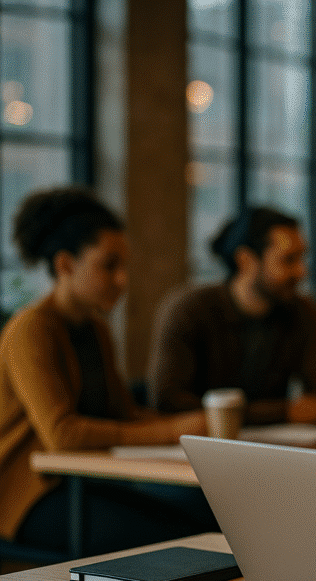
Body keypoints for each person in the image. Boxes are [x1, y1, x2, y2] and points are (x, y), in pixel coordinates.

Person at [0, 187, 217, 555]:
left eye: (124, 266)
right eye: (109, 265)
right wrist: (176, 430)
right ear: (65, 265)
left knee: (208, 519)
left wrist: (195, 433)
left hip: (85, 481)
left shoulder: (95, 328)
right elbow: (62, 435)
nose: (122, 280)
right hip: (30, 495)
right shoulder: (31, 328)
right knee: (184, 539)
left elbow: (124, 415)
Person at [147, 206, 316, 425]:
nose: (301, 271)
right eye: (288, 260)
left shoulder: (301, 311)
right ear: (246, 260)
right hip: (201, 447)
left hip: (275, 447)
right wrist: (282, 412)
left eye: (302, 258)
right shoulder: (189, 309)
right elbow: (169, 401)